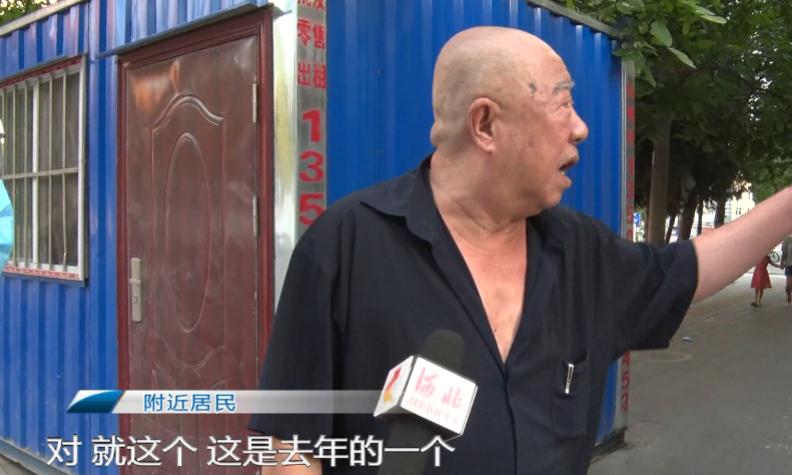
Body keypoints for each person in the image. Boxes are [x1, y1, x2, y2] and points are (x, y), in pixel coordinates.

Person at [250, 26, 792, 475]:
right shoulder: (347, 245)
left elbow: (686, 270)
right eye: (564, 103)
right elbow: (288, 447)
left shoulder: (583, 253)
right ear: (486, 124)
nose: (580, 128)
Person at [780, 235, 792, 305]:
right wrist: (782, 262)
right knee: (788, 286)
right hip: (789, 265)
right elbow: (784, 253)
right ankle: (788, 296)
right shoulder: (788, 239)